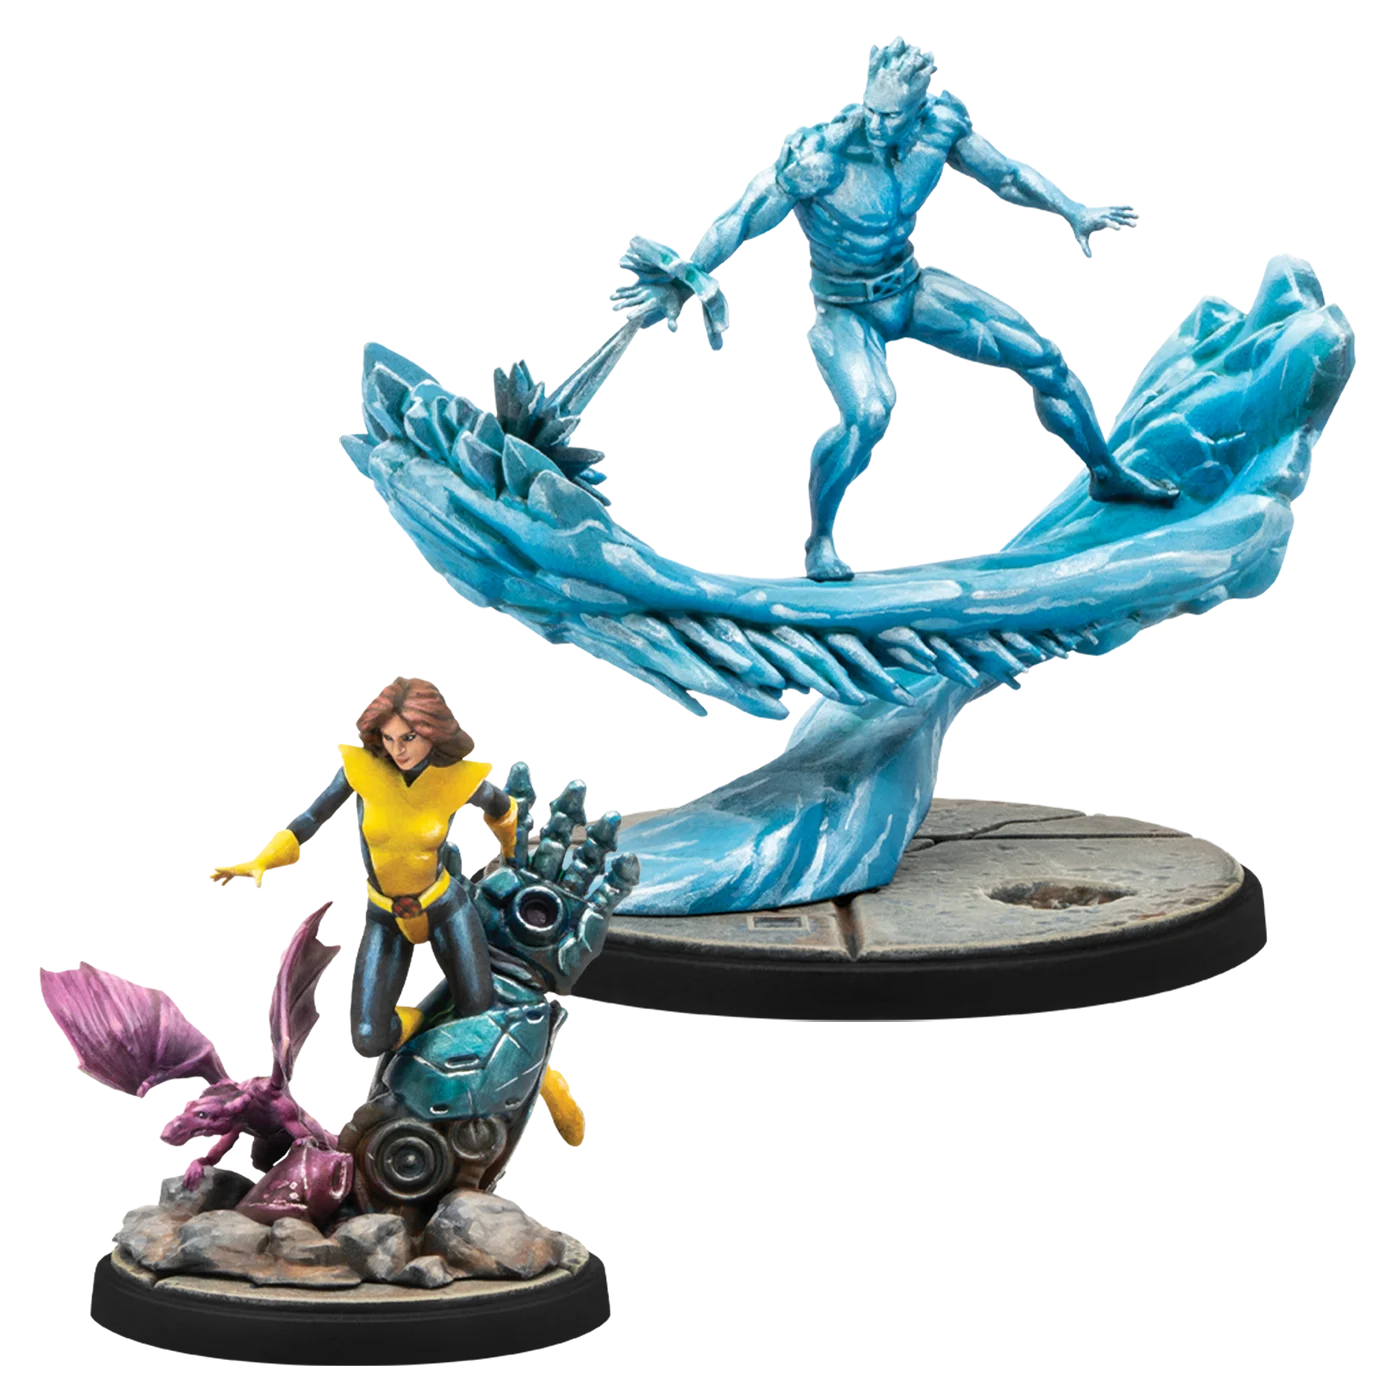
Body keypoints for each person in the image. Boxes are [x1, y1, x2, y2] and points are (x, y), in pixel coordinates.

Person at [611, 39, 1179, 582]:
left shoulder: (941, 122)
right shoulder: (821, 156)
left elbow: (1005, 176)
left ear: (918, 109)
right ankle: (819, 541)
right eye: (873, 111)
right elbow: (741, 220)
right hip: (845, 309)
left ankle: (1107, 474)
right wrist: (689, 272)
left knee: (1043, 358)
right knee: (870, 413)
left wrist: (1073, 214)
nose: (880, 125)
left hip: (909, 288)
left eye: (894, 116)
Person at [208, 677, 519, 1060]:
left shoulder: (457, 778)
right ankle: (422, 1027)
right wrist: (263, 860)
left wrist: (511, 853)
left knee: (479, 1007)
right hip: (384, 912)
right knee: (369, 1036)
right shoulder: (363, 773)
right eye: (389, 738)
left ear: (432, 733)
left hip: (442, 904)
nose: (398, 750)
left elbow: (503, 809)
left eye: (408, 738)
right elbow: (310, 819)